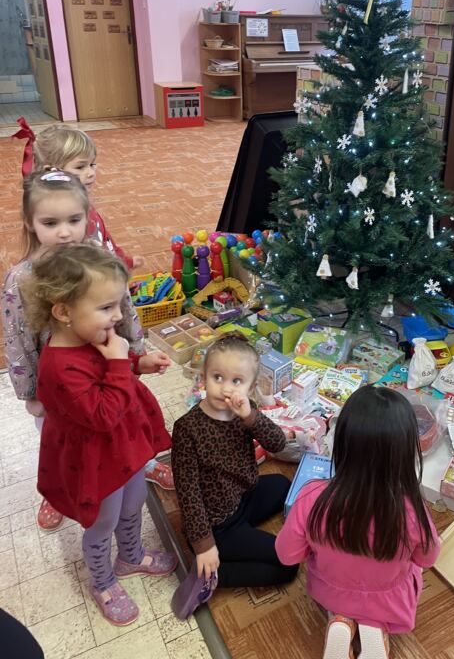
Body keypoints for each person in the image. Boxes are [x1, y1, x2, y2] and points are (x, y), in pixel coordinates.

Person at [0, 170, 169, 532]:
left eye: (74, 220)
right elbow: (17, 340)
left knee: (118, 426)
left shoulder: (98, 259)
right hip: (58, 384)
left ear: (87, 216)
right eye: (51, 223)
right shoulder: (22, 278)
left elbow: (123, 307)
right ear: (30, 222)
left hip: (105, 369)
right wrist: (29, 393)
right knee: (63, 443)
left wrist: (134, 356)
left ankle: (137, 465)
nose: (64, 232)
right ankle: (62, 489)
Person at [21, 244, 176, 626]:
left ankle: (131, 556)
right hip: (95, 459)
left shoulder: (89, 336)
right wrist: (121, 362)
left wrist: (137, 363)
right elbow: (103, 414)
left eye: (117, 304)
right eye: (106, 307)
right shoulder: (58, 367)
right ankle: (103, 581)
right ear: (63, 312)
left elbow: (106, 370)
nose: (118, 316)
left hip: (124, 448)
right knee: (102, 523)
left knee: (135, 500)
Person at [275, 385, 441, 659]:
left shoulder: (312, 496)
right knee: (413, 568)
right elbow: (428, 558)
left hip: (329, 591)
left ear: (342, 442)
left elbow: (286, 555)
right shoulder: (412, 510)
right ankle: (374, 625)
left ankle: (340, 619)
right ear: (404, 453)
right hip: (389, 601)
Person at [171, 334, 298, 615]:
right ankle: (214, 576)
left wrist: (250, 416)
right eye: (218, 377)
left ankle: (241, 539)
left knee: (282, 484)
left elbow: (277, 443)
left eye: (236, 381)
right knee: (288, 565)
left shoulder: (245, 413)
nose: (226, 388)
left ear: (251, 387)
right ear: (203, 378)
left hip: (242, 498)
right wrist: (204, 545)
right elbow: (188, 494)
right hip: (217, 525)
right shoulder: (187, 429)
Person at [13, 117, 143, 269]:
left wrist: (124, 261)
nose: (91, 173)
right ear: (52, 170)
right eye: (80, 167)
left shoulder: (82, 204)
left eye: (92, 164)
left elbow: (104, 239)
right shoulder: (61, 223)